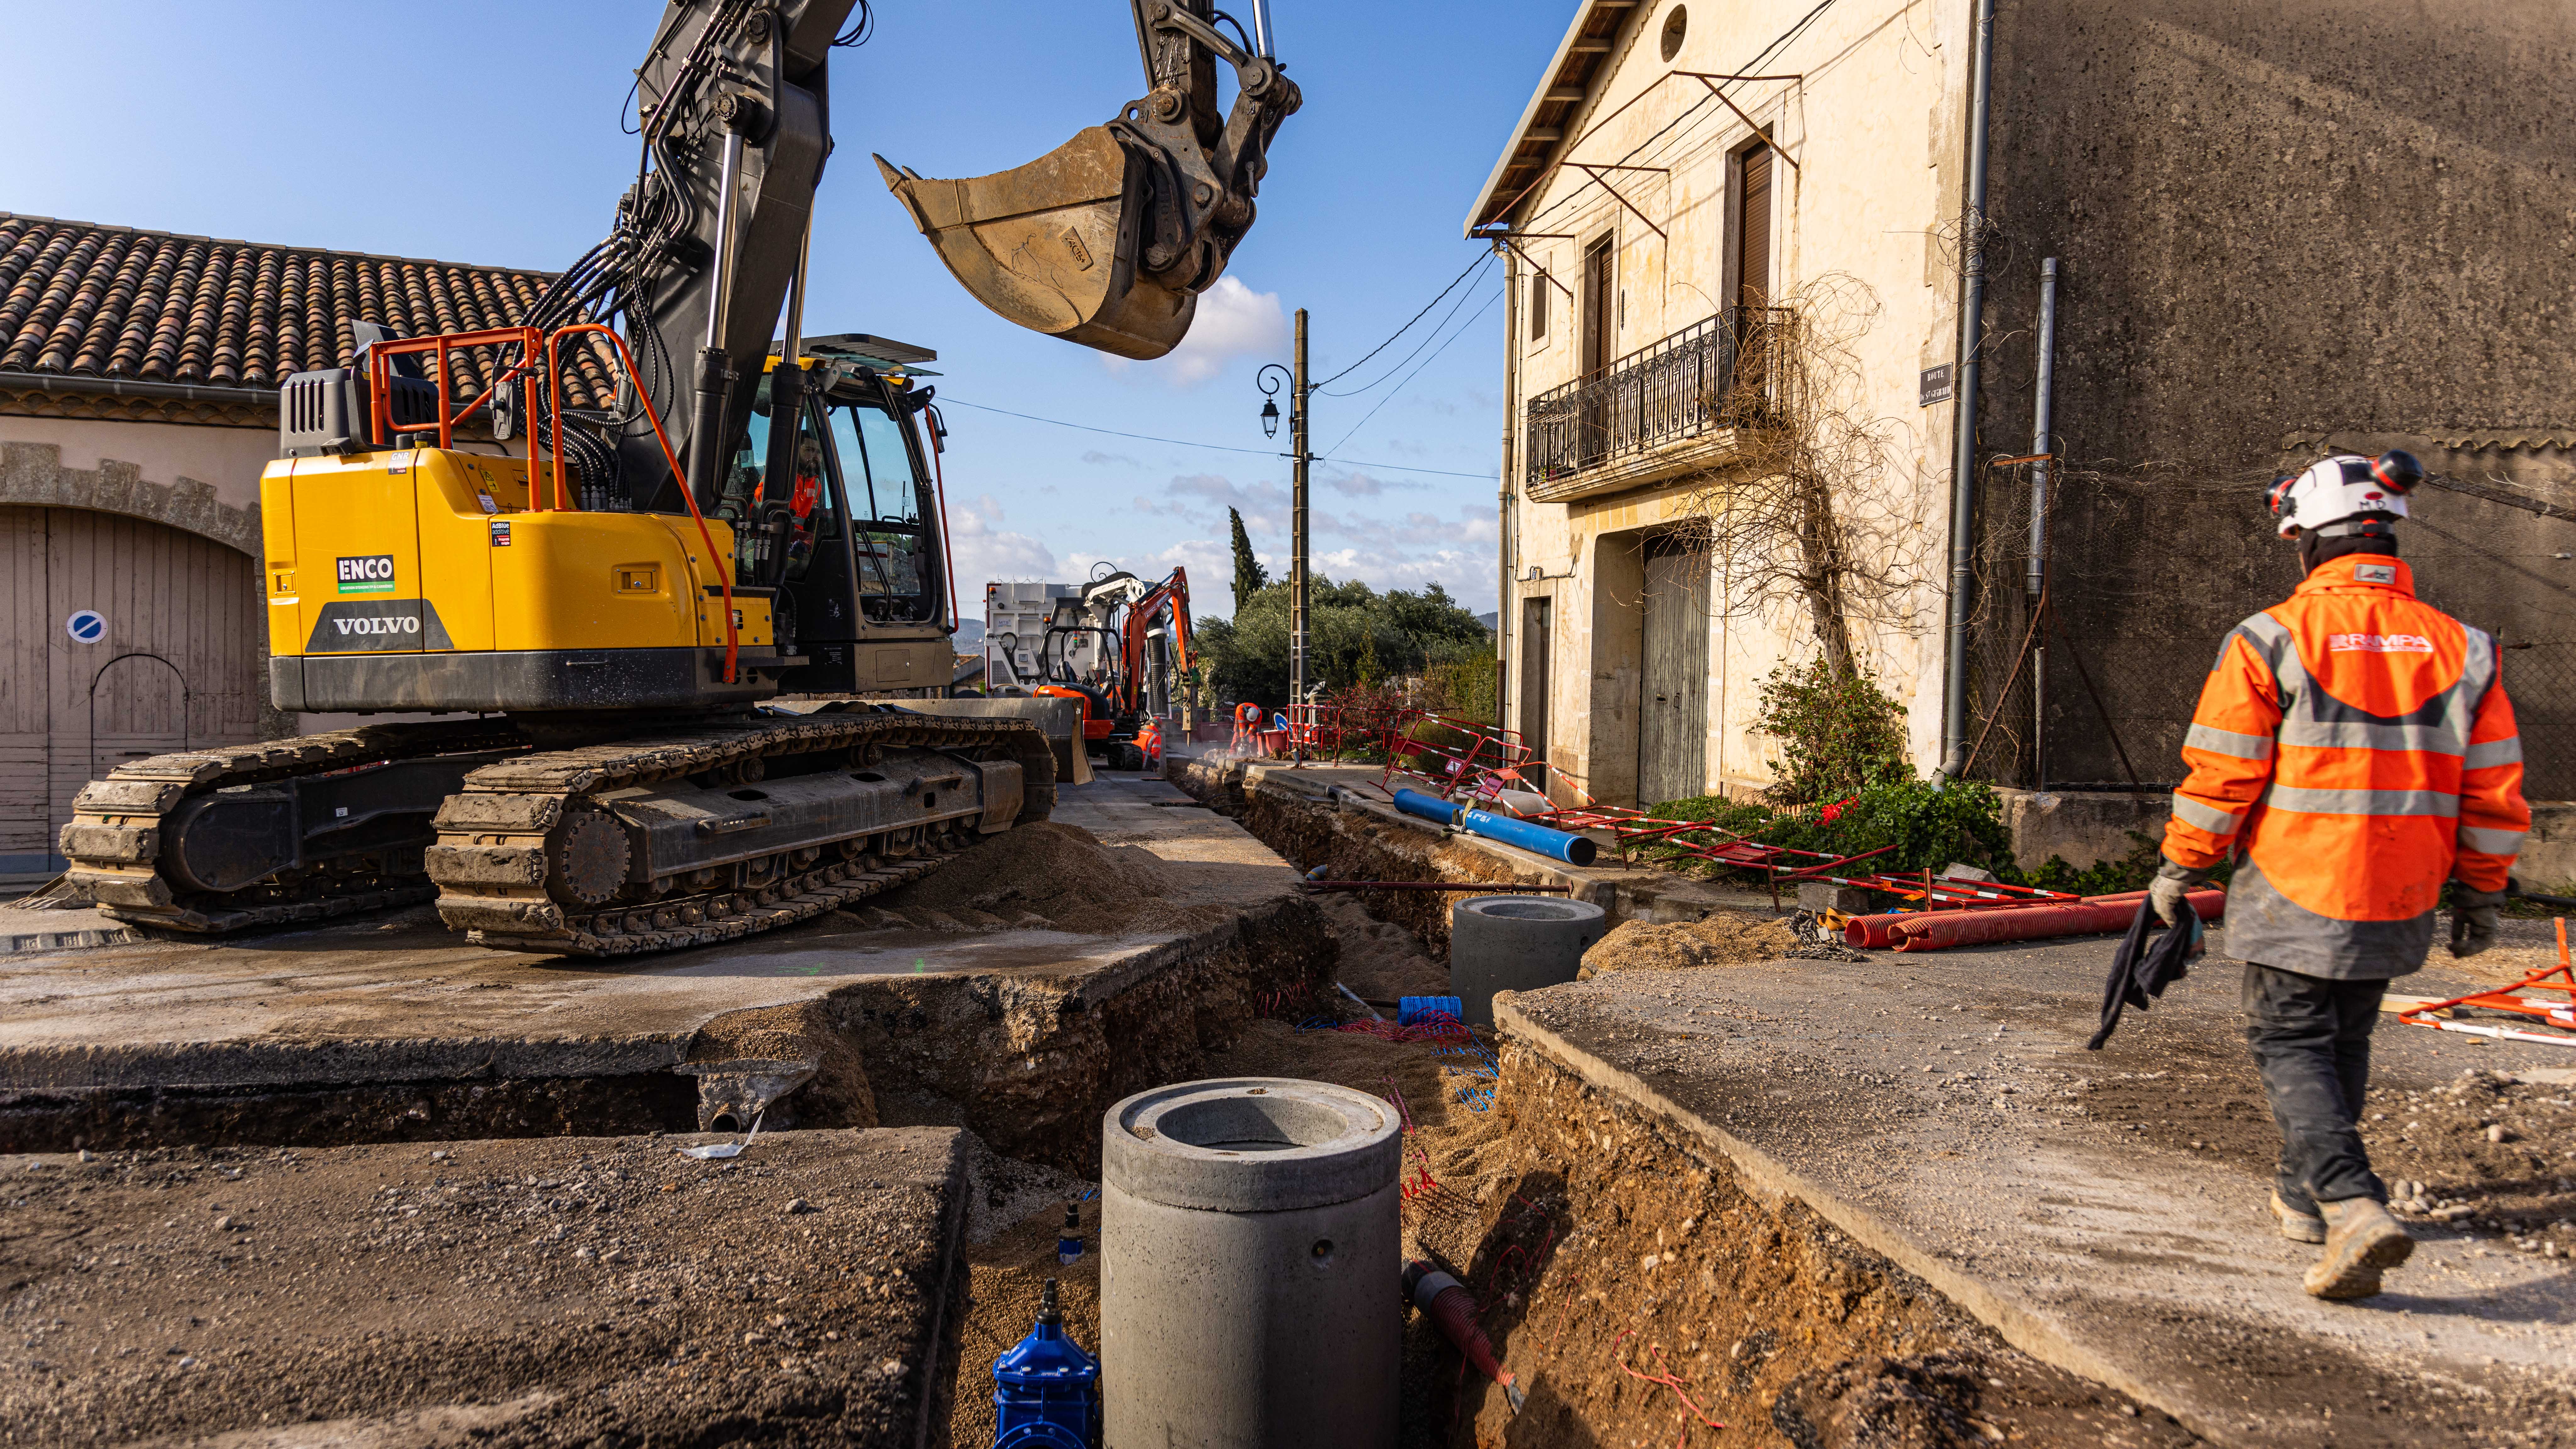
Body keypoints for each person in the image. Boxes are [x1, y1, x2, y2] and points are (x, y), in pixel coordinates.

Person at [2151, 449, 2530, 1300]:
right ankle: (2304, 1197)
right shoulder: (2465, 648)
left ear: (2305, 544)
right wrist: (2480, 889)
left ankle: (2354, 1204)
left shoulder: (2272, 638)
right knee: (2343, 1043)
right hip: (2403, 892)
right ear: (2387, 539)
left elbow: (2224, 774)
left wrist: (2181, 863)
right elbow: (2494, 783)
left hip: (2297, 882)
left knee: (2290, 1042)